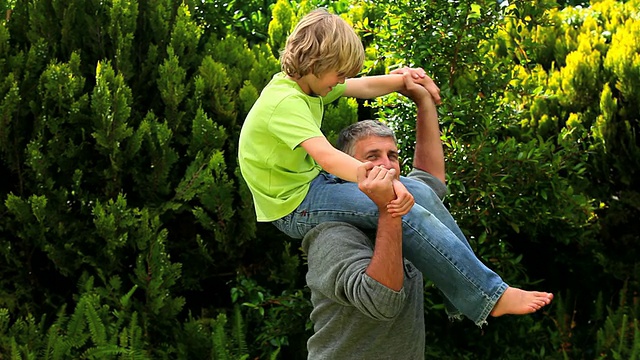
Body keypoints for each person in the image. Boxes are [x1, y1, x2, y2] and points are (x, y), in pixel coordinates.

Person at [238, 8, 553, 327]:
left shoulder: (308, 83)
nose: (343, 81)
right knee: (402, 209)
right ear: (316, 64)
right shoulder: (284, 103)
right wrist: (381, 181)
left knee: (418, 192)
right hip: (293, 205)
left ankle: (462, 294)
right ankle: (489, 296)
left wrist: (404, 81)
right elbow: (328, 157)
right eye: (339, 74)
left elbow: (363, 86)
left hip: (310, 183)